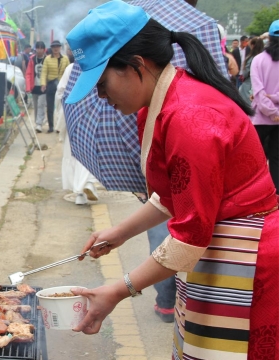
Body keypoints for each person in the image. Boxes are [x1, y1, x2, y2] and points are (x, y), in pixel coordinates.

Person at [66, 2, 278, 359]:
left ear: (137, 65)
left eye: (102, 84)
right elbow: (170, 194)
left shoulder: (189, 117)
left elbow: (189, 237)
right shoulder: (156, 104)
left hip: (247, 256)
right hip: (217, 248)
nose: (101, 97)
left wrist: (118, 290)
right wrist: (119, 233)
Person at [58, 63, 100, 205]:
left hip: (72, 115)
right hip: (92, 114)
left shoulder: (71, 68)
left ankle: (79, 193)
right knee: (90, 151)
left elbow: (61, 91)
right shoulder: (97, 65)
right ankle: (87, 183)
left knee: (73, 152)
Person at [251, 20, 279, 195]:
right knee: (277, 158)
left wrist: (272, 112)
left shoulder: (258, 60)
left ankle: (257, 193)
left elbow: (259, 93)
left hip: (260, 118)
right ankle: (276, 194)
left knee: (257, 159)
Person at [41, 40, 69, 133]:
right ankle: (51, 126)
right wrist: (43, 84)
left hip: (62, 85)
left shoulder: (65, 59)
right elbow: (44, 72)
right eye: (54, 47)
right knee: (50, 106)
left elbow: (68, 72)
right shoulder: (47, 59)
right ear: (51, 48)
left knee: (61, 107)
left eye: (57, 46)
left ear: (60, 47)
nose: (56, 48)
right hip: (51, 84)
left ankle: (59, 127)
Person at [26, 41, 47, 133]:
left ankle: (39, 123)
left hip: (43, 86)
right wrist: (28, 86)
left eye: (41, 48)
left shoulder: (47, 59)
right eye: (38, 48)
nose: (39, 50)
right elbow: (28, 73)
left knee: (41, 105)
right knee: (35, 106)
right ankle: (37, 122)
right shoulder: (32, 59)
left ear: (44, 49)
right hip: (34, 86)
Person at [239, 37, 265, 106]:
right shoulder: (265, 57)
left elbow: (246, 71)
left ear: (253, 45)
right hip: (263, 84)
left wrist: (243, 76)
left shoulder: (252, 57)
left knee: (248, 105)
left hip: (249, 83)